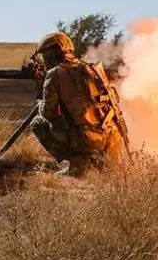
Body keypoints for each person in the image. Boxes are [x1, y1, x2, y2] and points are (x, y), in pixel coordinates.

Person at [29, 32, 129, 176]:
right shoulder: (91, 67)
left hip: (88, 140)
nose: (43, 60)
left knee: (38, 123)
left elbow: (48, 113)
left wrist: (41, 101)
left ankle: (79, 163)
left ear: (51, 54)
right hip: (112, 137)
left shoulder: (55, 73)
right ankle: (101, 163)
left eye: (44, 56)